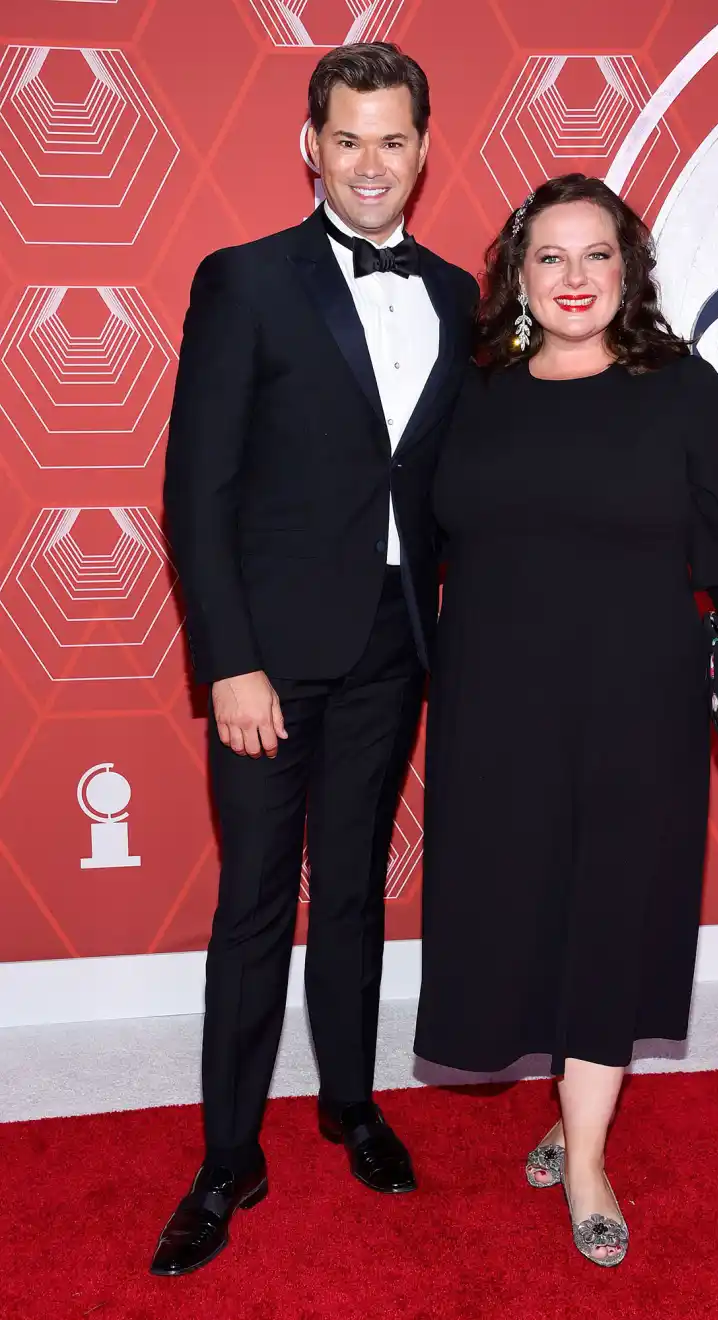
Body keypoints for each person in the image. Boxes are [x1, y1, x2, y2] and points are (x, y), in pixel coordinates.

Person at [413, 173, 718, 1268]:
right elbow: (422, 536)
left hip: (638, 699)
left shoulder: (682, 390)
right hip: (495, 703)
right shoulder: (474, 392)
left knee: (614, 914)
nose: (574, 277)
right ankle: (567, 1102)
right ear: (518, 276)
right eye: (551, 257)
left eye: (596, 256)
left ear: (627, 272)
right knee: (521, 909)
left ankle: (584, 1157)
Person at [152, 43, 478, 1276]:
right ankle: (228, 1155)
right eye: (349, 138)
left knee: (351, 894)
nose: (372, 162)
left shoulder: (455, 293)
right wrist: (228, 662)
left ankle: (351, 1102)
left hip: (396, 644)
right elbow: (198, 489)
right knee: (253, 908)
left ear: (423, 149)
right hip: (271, 661)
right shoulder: (244, 282)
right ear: (311, 146)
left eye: (394, 139)